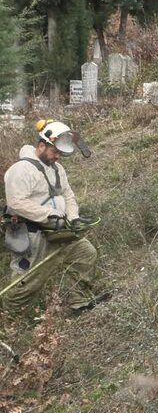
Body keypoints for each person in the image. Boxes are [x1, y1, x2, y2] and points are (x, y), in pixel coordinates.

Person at [2, 119, 105, 313]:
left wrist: (73, 217)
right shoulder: (21, 170)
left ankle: (79, 302)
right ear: (41, 145)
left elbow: (68, 195)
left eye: (60, 153)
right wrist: (50, 214)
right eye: (54, 152)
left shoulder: (58, 169)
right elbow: (17, 202)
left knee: (85, 253)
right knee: (27, 282)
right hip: (33, 234)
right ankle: (9, 318)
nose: (57, 156)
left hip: (60, 230)